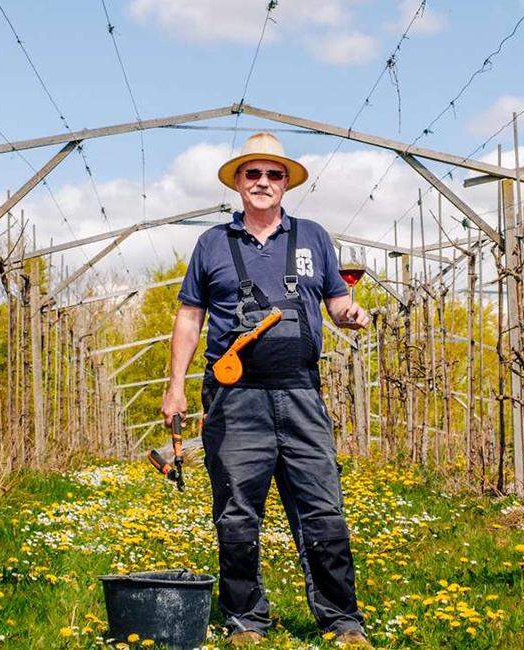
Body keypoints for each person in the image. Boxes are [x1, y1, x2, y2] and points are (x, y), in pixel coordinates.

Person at [161, 133, 372, 647]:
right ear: (238, 182)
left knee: (322, 507)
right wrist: (175, 387)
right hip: (235, 400)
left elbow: (337, 303)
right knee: (236, 512)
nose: (262, 183)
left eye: (273, 175)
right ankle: (245, 620)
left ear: (286, 184)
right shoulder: (213, 243)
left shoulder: (313, 237)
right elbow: (190, 317)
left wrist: (349, 315)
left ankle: (342, 621)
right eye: (252, 174)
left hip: (301, 394)